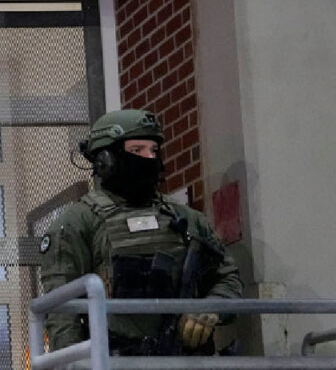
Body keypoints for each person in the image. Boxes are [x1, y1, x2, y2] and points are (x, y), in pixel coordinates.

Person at [39, 109, 242, 356]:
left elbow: (227, 278)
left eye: (154, 150)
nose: (149, 158)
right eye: (137, 150)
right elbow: (62, 313)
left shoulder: (188, 219)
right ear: (105, 160)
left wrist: (210, 309)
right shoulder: (78, 222)